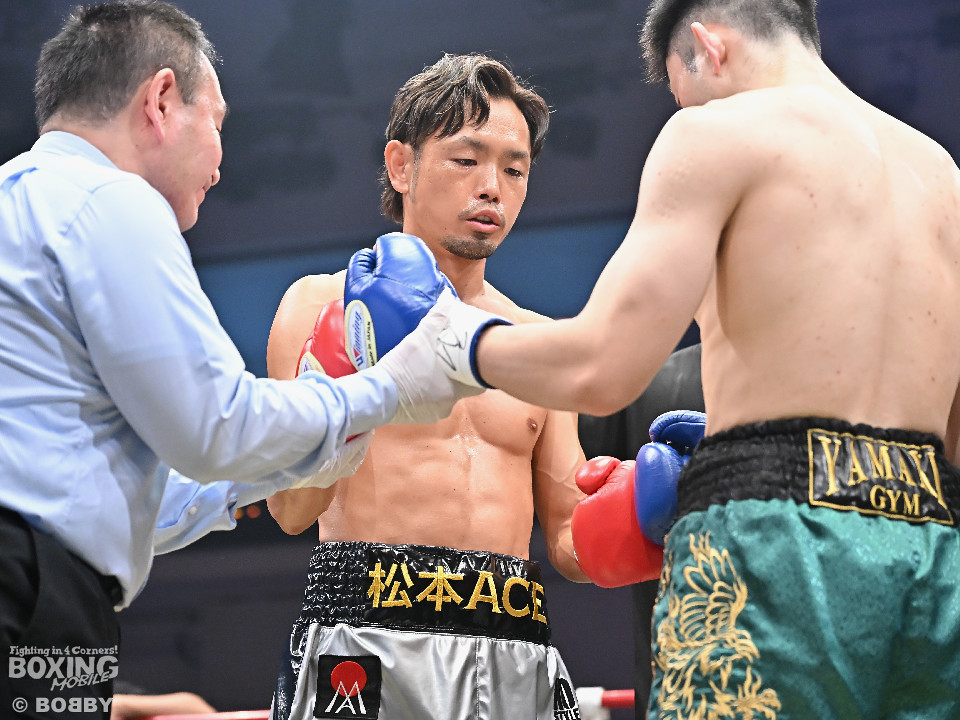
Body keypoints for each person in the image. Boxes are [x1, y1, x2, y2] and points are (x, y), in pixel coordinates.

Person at [409, 0, 960, 717]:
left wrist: (447, 341)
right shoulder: (940, 173)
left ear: (709, 46)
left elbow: (601, 369)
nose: (684, 110)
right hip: (932, 549)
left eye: (681, 91)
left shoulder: (717, 133)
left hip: (775, 540)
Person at [0, 3, 475, 718]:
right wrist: (384, 390)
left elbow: (88, 484)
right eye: (218, 123)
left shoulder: (23, 200)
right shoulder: (109, 200)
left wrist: (267, 471)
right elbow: (216, 425)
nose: (221, 162)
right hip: (30, 590)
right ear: (162, 100)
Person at [265, 53, 589, 720]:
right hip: (366, 641)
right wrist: (348, 369)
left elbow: (568, 541)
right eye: (466, 160)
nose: (492, 187)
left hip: (515, 648)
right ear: (400, 166)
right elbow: (291, 510)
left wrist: (646, 515)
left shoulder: (539, 343)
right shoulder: (319, 304)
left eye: (515, 169)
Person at [578, 343, 703, 720]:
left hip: (679, 683)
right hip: (676, 678)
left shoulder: (651, 381)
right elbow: (568, 516)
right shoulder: (652, 384)